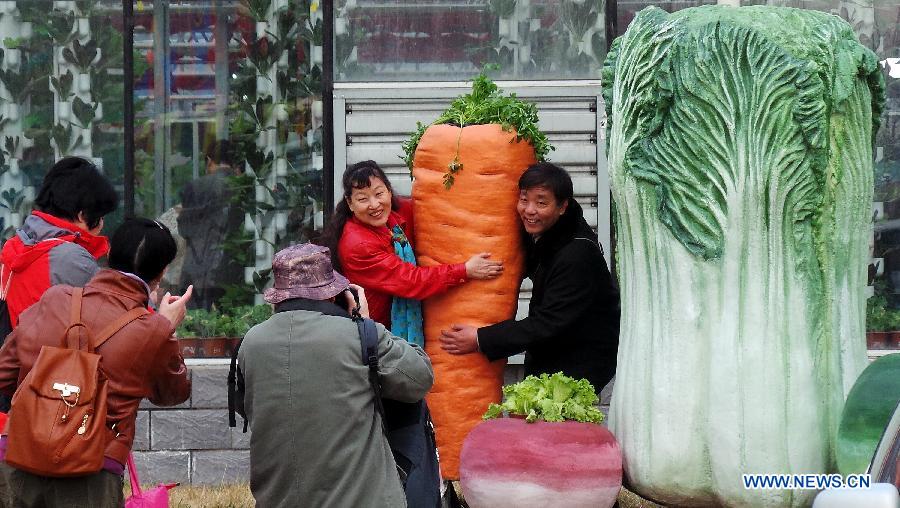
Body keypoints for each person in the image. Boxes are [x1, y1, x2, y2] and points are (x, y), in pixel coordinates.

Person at [0, 218, 193, 507]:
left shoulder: (55, 299)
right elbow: (173, 393)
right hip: (92, 467)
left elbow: (5, 372)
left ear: (109, 252)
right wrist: (167, 328)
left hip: (18, 456)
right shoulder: (153, 329)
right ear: (163, 271)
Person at [238, 243, 434, 507]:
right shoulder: (358, 334)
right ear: (333, 295)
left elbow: (245, 406)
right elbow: (419, 378)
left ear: (277, 298)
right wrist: (365, 322)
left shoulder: (251, 342)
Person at [439, 162, 620, 391]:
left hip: (579, 363)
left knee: (555, 423)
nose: (529, 210)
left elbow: (547, 323)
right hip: (554, 351)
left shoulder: (577, 255)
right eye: (524, 200)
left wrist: (480, 338)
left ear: (563, 206)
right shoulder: (551, 231)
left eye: (541, 202)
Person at [319, 160, 502, 344]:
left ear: (389, 191)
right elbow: (411, 281)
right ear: (350, 204)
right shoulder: (358, 245)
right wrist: (465, 270)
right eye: (362, 199)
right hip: (374, 337)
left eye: (379, 193)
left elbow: (433, 205)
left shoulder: (396, 216)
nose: (374, 204)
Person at [0, 156, 118, 329]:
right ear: (82, 215)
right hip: (52, 355)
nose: (101, 225)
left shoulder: (16, 245)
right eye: (100, 217)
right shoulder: (72, 259)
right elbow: (116, 324)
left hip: (19, 352)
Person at [177, 139, 244, 309]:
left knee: (196, 323)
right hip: (231, 264)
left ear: (208, 161)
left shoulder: (195, 186)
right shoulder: (242, 188)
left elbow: (185, 229)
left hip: (197, 263)